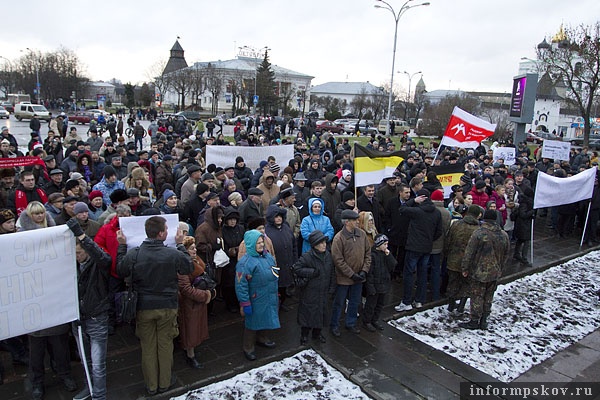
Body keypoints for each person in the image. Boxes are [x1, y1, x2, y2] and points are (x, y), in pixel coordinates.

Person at [116, 217, 193, 395]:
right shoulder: (172, 253)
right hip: (167, 305)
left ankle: (151, 386)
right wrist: (180, 244)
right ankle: (165, 382)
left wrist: (121, 246)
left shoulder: (134, 253)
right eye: (166, 229)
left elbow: (120, 270)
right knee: (165, 345)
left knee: (148, 346)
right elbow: (188, 267)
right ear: (160, 233)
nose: (168, 232)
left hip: (143, 307)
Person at [66, 218, 112, 400]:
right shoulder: (69, 266)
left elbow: (104, 258)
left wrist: (81, 236)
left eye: (79, 253)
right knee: (86, 361)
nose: (77, 257)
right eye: (74, 253)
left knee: (98, 363)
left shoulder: (98, 264)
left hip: (96, 317)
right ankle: (90, 388)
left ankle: (99, 396)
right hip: (78, 319)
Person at [459, 209, 510, 330]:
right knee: (488, 296)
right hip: (495, 271)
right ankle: (484, 319)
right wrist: (500, 268)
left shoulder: (479, 233)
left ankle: (474, 320)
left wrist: (465, 268)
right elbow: (506, 255)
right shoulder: (504, 235)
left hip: (479, 271)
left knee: (477, 296)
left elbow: (469, 252)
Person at [235, 229, 280, 361]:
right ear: (250, 244)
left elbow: (275, 272)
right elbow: (241, 285)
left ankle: (263, 338)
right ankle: (248, 347)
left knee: (267, 318)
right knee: (252, 323)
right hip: (255, 298)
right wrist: (245, 303)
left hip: (269, 294)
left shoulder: (268, 257)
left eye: (262, 242)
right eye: (258, 243)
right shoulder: (245, 263)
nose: (261, 245)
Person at [330, 209, 371, 337]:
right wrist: (351, 274)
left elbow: (368, 254)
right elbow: (338, 260)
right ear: (347, 222)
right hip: (344, 278)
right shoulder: (338, 238)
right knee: (339, 302)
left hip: (359, 276)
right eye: (354, 220)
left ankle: (351, 323)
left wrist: (364, 271)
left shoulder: (362, 234)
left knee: (355, 301)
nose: (357, 222)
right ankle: (334, 325)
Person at [291, 230, 336, 344]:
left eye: (324, 242)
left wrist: (332, 287)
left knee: (321, 314)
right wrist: (311, 272)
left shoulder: (328, 256)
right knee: (308, 314)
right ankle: (304, 335)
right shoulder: (307, 257)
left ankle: (317, 334)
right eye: (321, 243)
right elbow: (296, 268)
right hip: (310, 292)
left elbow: (332, 273)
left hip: (323, 291)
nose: (324, 245)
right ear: (315, 245)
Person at [177, 236, 215, 369]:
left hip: (197, 302)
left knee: (196, 327)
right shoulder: (183, 266)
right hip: (189, 303)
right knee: (190, 330)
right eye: (191, 248)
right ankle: (190, 354)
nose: (194, 250)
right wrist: (205, 295)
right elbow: (185, 289)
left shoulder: (195, 260)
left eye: (194, 248)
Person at [444, 205, 482, 313]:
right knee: (466, 285)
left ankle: (451, 304)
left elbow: (448, 240)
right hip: (470, 262)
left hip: (453, 259)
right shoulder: (478, 229)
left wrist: (446, 254)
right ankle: (461, 306)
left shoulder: (456, 224)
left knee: (452, 282)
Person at [265, 205, 297, 311]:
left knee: (284, 287)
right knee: (274, 287)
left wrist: (294, 260)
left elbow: (294, 245)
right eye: (276, 216)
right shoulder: (266, 231)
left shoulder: (286, 228)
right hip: (274, 264)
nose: (279, 218)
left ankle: (281, 303)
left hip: (287, 262)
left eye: (280, 216)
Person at [362, 234, 396, 332]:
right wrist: (370, 287)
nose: (386, 246)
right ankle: (367, 321)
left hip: (384, 284)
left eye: (387, 244)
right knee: (371, 305)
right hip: (375, 285)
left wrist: (388, 255)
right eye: (384, 244)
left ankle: (375, 320)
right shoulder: (372, 256)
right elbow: (370, 274)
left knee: (380, 305)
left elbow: (393, 265)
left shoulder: (385, 254)